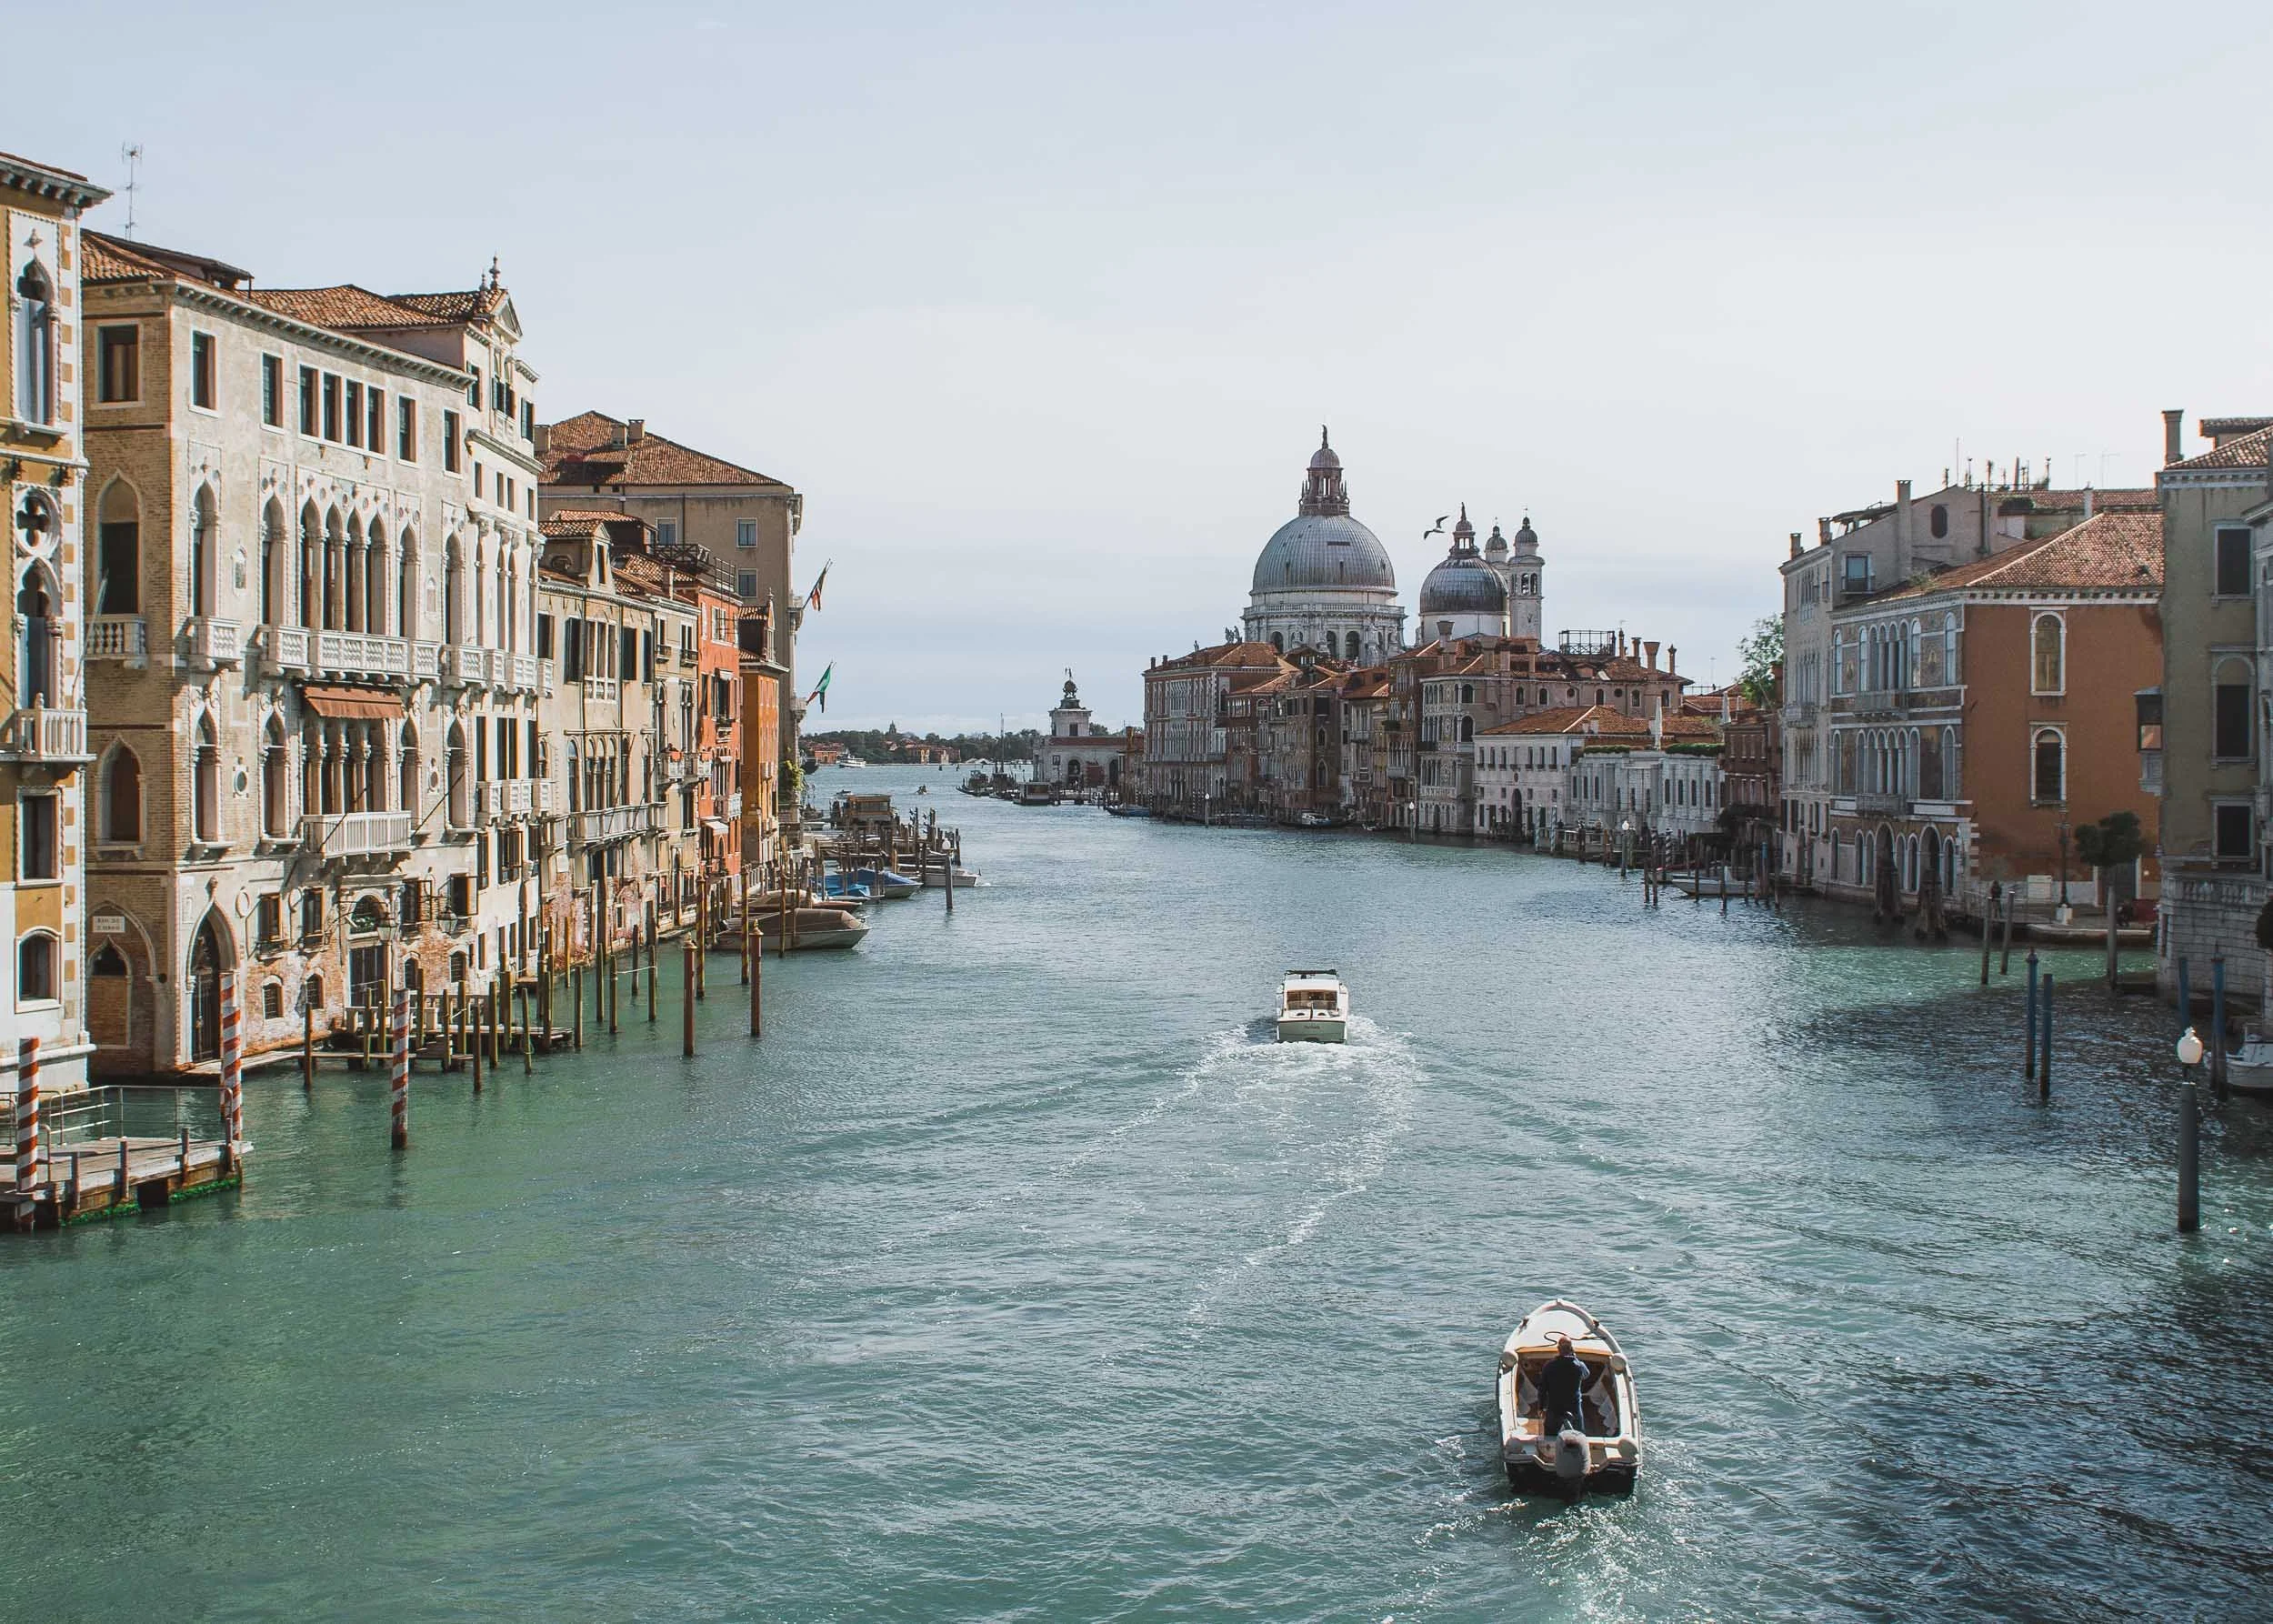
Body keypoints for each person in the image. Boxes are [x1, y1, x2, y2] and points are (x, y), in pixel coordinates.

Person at [1537, 1334, 1592, 1438]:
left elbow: (1542, 1389)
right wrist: (1575, 1358)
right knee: (1579, 1434)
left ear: (1558, 1349)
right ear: (1571, 1349)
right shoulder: (1579, 1366)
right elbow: (1586, 1375)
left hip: (1554, 1407)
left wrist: (1541, 1407)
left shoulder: (1549, 1366)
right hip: (1574, 1407)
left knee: (1550, 1436)